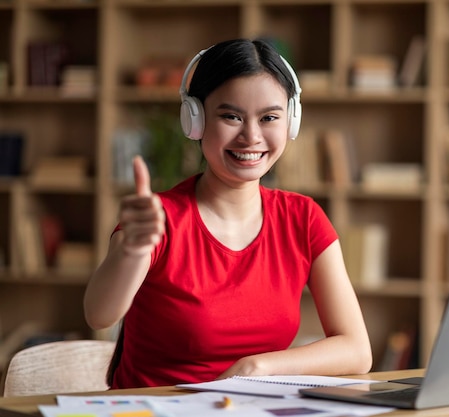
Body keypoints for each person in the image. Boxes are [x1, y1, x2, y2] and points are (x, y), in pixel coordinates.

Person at [83, 38, 373, 389]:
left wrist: (259, 367)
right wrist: (131, 250)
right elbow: (99, 315)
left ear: (290, 122)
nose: (251, 136)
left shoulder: (303, 218)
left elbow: (357, 350)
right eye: (231, 116)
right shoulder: (159, 218)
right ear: (196, 119)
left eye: (269, 117)